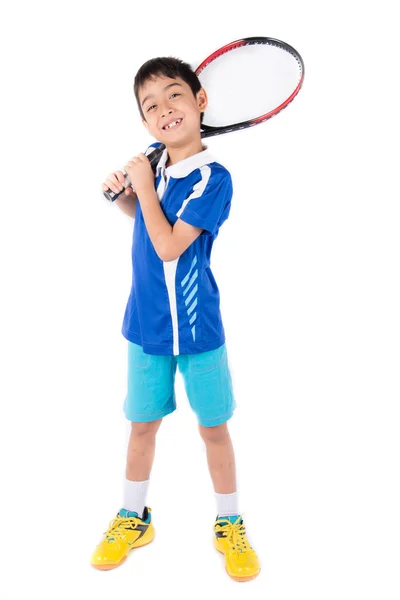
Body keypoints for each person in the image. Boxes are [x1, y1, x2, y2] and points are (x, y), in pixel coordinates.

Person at [91, 56, 260, 582]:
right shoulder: (152, 158)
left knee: (214, 430)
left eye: (174, 96)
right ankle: (133, 517)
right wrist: (122, 191)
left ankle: (229, 523)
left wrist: (141, 182)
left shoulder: (214, 178)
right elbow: (141, 216)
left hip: (197, 329)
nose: (164, 110)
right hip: (145, 326)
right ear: (145, 122)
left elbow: (168, 247)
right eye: (151, 106)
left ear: (200, 101)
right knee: (141, 427)